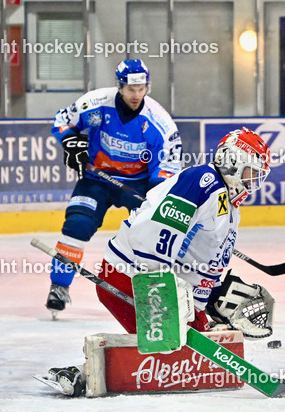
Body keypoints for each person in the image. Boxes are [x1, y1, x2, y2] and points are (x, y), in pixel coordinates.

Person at [46, 128, 276, 396]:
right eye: (252, 170)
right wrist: (160, 289)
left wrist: (211, 298)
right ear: (233, 161)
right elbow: (161, 230)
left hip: (163, 286)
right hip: (131, 277)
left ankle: (100, 365)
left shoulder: (229, 204)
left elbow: (198, 257)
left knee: (200, 349)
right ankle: (85, 371)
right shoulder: (204, 181)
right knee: (173, 351)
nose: (255, 180)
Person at [45, 59, 182, 317]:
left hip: (139, 184)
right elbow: (63, 121)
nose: (136, 95)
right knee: (77, 224)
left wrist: (156, 194)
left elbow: (169, 163)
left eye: (142, 89)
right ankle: (59, 286)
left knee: (156, 235)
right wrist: (70, 140)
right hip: (97, 179)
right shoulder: (96, 103)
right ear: (119, 86)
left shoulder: (159, 121)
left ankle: (160, 291)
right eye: (131, 89)